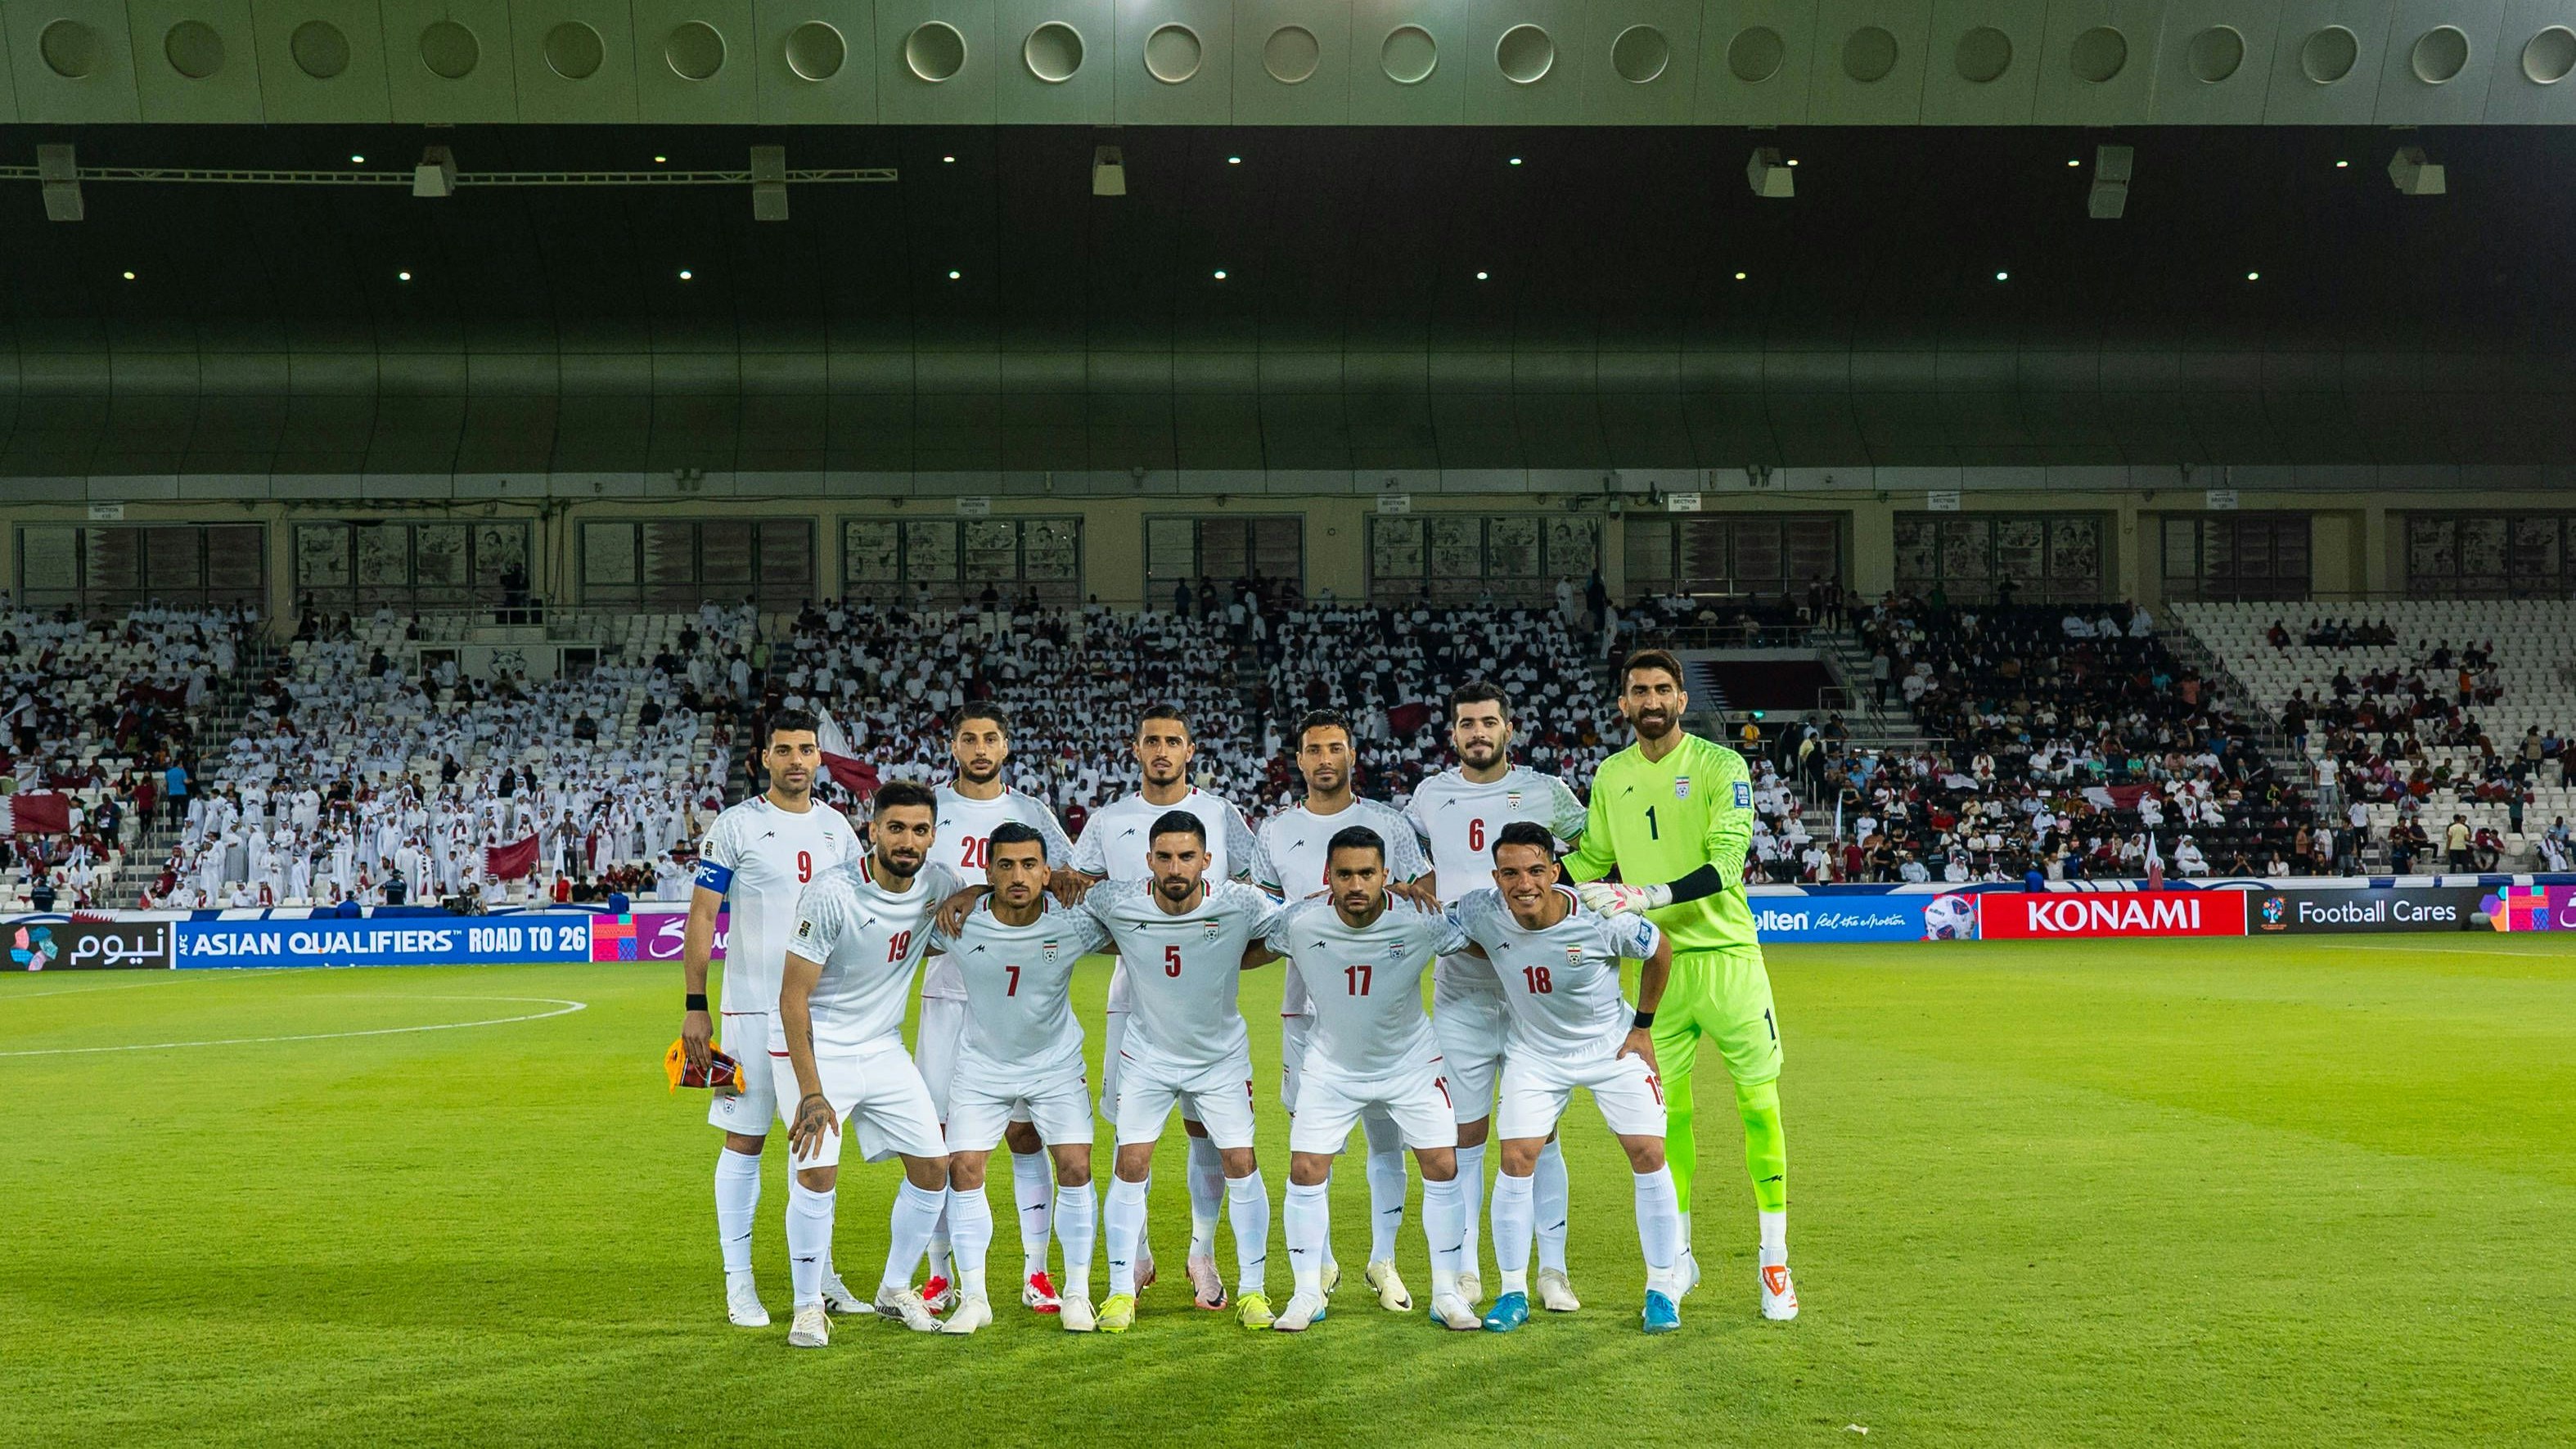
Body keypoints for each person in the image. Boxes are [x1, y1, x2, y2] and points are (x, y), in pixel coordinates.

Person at [1569, 648, 1798, 1321]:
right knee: (1667, 1119)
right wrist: (1533, 877)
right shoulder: (1611, 774)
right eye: (1639, 689)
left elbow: (1726, 864)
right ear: (1623, 703)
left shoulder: (1722, 766)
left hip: (1727, 958)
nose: (1651, 699)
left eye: (1663, 688)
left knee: (1760, 1106)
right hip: (1657, 966)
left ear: (1681, 699)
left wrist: (1646, 892)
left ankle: (1775, 1262)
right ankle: (1679, 1258)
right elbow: (1589, 856)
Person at [1402, 680, 1592, 1312]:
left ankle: (1552, 1270)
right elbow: (1405, 864)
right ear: (1452, 733)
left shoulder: (1547, 790)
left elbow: (1590, 856)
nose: (1477, 732)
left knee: (1544, 1134)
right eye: (1466, 723)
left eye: (1488, 722)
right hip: (1463, 989)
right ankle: (1468, 1270)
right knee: (1466, 1134)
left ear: (1508, 728)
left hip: (1536, 993)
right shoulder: (1429, 796)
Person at [1065, 706, 1263, 1310]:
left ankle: (1202, 1252)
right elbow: (1078, 891)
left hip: (1206, 1001)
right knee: (1134, 1139)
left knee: (1207, 1128)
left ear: (1190, 748)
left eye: (1172, 740)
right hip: (1134, 998)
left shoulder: (1222, 814)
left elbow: (1258, 891)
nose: (1161, 750)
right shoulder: (1111, 818)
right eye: (1151, 740)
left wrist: (1220, 955)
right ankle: (1138, 1255)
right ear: (1135, 748)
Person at [678, 708, 866, 1329]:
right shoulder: (736, 826)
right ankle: (740, 1283)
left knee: (819, 1142)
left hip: (821, 1013)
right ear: (764, 757)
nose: (795, 760)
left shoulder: (840, 830)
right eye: (783, 750)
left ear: (818, 757)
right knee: (746, 1137)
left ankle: (824, 1275)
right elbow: (703, 916)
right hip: (751, 1011)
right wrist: (695, 1006)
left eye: (805, 749)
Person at [1452, 822, 1678, 1334]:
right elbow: (1440, 925)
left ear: (1555, 872)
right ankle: (1513, 1291)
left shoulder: (1600, 918)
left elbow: (1659, 949)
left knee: (1649, 1153)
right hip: (1535, 1053)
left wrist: (1643, 1028)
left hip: (1610, 1046)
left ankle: (1662, 1289)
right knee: (1515, 1159)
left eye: (1536, 870)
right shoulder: (1482, 910)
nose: (1523, 884)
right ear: (1497, 876)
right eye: (1510, 873)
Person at [1252, 826, 1479, 1331]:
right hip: (1332, 1066)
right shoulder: (1300, 922)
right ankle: (1307, 1293)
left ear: (1387, 876)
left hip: (1411, 1065)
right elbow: (1249, 938)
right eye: (1345, 874)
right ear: (1327, 877)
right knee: (1306, 1170)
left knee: (1442, 1165)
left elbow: (1479, 933)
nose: (1357, 884)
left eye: (1368, 874)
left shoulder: (1422, 919)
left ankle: (1446, 1292)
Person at [1073, 812, 1286, 1332]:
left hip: (1219, 1058)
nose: (1175, 867)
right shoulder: (1117, 900)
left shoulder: (1238, 902)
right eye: (1164, 856)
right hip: (1147, 1056)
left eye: (1186, 856)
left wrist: (1231, 954)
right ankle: (1122, 1289)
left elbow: (1292, 926)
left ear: (1206, 861)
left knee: (1240, 1160)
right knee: (1131, 1161)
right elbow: (1061, 897)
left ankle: (1254, 1292)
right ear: (1148, 860)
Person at [774, 780, 966, 1346]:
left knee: (933, 1168)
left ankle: (893, 1287)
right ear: (874, 829)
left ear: (933, 834)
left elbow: (960, 908)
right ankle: (807, 1305)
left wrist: (973, 893)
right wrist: (812, 1092)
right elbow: (792, 997)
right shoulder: (834, 891)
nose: (908, 840)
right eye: (897, 828)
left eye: (921, 829)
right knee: (817, 1170)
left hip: (884, 1047)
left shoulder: (938, 882)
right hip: (823, 1046)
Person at [1254, 709, 1432, 1312]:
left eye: (1335, 747)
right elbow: (1266, 919)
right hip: (1303, 1009)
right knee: (1313, 1143)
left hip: (1383, 1009)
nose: (1324, 758)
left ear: (1353, 753)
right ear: (1298, 759)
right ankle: (1321, 1264)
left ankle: (1384, 1259)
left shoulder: (1388, 823)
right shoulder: (1274, 830)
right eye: (1313, 749)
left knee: (1388, 1137)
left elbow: (1424, 898)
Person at [913, 704, 1076, 1316]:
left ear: (1006, 745)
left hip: (1020, 996)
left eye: (990, 738)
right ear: (951, 744)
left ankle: (1036, 1270)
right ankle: (938, 1274)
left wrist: (983, 889)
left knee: (1024, 1130)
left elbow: (1063, 878)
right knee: (939, 1142)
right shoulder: (930, 807)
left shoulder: (1032, 812)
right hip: (948, 992)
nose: (980, 748)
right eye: (968, 738)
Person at [925, 822, 1107, 1333]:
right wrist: (971, 894)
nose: (1018, 875)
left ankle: (1076, 1293)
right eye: (1004, 866)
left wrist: (1081, 884)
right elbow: (895, 930)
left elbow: (1134, 914)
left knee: (1075, 1166)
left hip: (1055, 1066)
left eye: (1030, 865)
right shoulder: (959, 923)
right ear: (987, 872)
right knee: (963, 1169)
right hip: (982, 1068)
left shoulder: (1075, 923)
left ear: (1047, 872)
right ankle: (974, 1298)